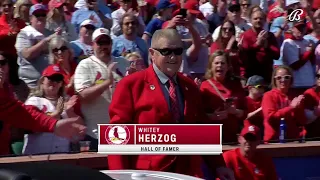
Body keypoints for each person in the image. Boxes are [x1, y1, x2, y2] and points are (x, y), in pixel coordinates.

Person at [108, 29, 235, 180]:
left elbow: (201, 131)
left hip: (187, 174)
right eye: (166, 51)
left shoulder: (190, 87)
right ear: (152, 53)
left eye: (178, 51)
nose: (173, 57)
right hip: (148, 174)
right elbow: (117, 137)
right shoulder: (130, 85)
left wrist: (218, 165)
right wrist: (120, 176)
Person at [74, 28, 128, 151]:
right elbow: (83, 95)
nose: (104, 46)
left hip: (122, 132)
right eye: (100, 43)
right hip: (96, 133)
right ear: (93, 44)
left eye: (106, 42)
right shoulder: (85, 65)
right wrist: (107, 83)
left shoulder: (123, 63)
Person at [22, 65, 81, 154]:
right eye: (51, 79)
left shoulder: (67, 102)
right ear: (42, 81)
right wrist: (56, 114)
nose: (54, 82)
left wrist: (70, 112)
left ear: (61, 84)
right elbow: (30, 127)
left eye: (58, 80)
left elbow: (78, 135)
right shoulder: (34, 101)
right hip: (37, 156)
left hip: (62, 155)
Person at [200, 50, 246, 143]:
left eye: (222, 63)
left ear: (228, 67)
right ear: (211, 66)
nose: (219, 65)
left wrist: (235, 111)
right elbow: (199, 114)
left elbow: (245, 112)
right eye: (216, 63)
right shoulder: (204, 86)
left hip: (233, 137)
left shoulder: (236, 85)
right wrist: (213, 116)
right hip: (212, 137)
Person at [15, 4, 58, 89]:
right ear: (31, 18)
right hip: (30, 83)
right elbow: (27, 55)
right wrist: (44, 42)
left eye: (43, 14)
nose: (40, 17)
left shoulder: (50, 33)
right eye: (37, 15)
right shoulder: (24, 34)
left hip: (50, 83)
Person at [261, 65, 306, 142]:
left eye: (286, 77)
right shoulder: (268, 96)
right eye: (279, 78)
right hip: (273, 141)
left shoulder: (294, 96)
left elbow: (301, 120)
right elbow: (270, 117)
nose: (283, 80)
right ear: (274, 80)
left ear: (291, 79)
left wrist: (299, 107)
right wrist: (291, 107)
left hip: (293, 139)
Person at [239, 9, 280, 83]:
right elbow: (244, 56)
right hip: (250, 74)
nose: (258, 20)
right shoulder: (245, 36)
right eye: (255, 18)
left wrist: (267, 46)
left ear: (264, 20)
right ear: (251, 20)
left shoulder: (270, 36)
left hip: (267, 75)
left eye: (261, 18)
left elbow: (277, 55)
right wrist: (257, 44)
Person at [303, 68, 320, 139]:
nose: (319, 78)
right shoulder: (309, 93)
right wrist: (316, 112)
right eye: (318, 76)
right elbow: (305, 119)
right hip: (313, 138)